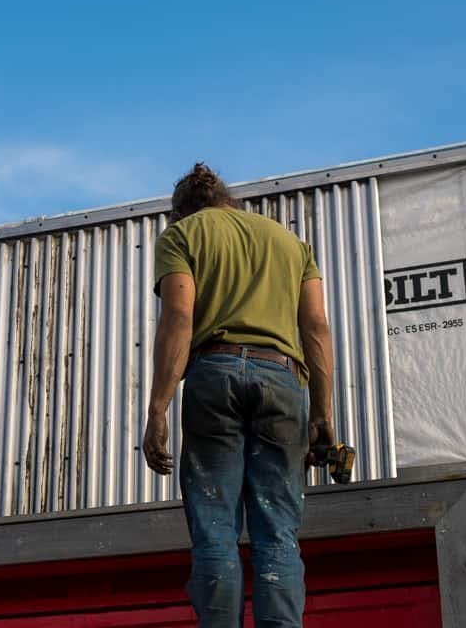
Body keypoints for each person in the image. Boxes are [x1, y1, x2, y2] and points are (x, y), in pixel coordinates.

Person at [142, 163, 336, 628]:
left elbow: (178, 319)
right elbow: (316, 328)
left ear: (182, 210)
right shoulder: (292, 245)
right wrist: (323, 414)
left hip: (214, 375)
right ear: (228, 200)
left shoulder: (182, 235)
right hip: (283, 380)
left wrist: (158, 407)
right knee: (277, 534)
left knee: (215, 530)